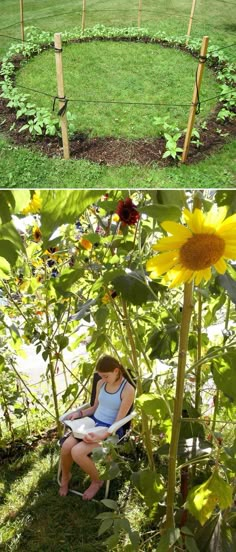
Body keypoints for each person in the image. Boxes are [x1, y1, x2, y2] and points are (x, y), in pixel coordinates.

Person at [59, 355, 135, 500]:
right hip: (92, 422)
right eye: (101, 376)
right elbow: (94, 408)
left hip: (111, 429)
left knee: (77, 452)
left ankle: (96, 481)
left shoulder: (128, 390)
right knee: (66, 447)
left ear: (116, 371)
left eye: (106, 376)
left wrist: (103, 435)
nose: (103, 379)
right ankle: (66, 476)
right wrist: (79, 413)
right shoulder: (100, 383)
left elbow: (119, 422)